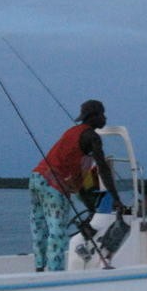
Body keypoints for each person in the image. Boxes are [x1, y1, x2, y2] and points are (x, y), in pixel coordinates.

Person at [29, 99, 122, 271]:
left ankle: (40, 268)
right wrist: (117, 199)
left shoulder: (72, 132)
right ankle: (55, 274)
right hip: (53, 183)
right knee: (57, 230)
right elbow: (103, 169)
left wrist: (90, 206)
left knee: (39, 228)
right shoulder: (92, 137)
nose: (105, 118)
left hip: (36, 178)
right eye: (102, 114)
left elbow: (79, 180)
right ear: (93, 116)